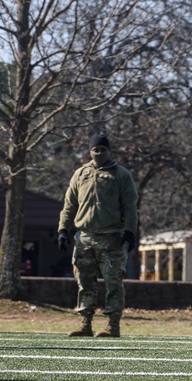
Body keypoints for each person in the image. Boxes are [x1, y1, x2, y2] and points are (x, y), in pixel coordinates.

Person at [56, 133, 139, 338]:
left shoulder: (121, 175)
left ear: (109, 151)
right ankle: (86, 322)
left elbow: (130, 205)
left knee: (113, 281)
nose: (99, 153)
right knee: (85, 282)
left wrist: (130, 231)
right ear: (90, 151)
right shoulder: (80, 174)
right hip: (84, 237)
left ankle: (113, 324)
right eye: (95, 149)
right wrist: (63, 229)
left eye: (103, 149)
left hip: (112, 237)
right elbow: (70, 205)